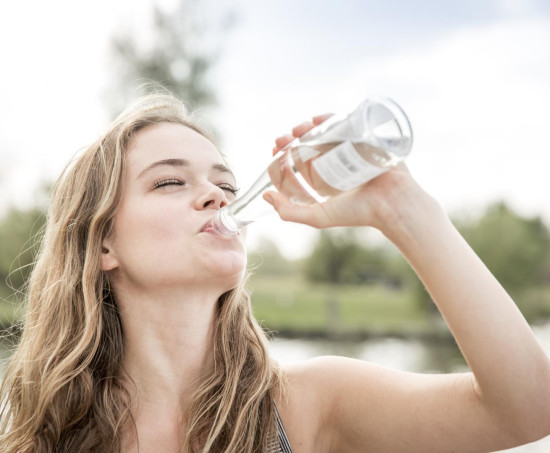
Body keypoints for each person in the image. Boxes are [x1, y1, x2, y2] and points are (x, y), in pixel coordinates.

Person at [1, 92, 549, 453]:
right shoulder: (38, 429)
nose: (215, 195)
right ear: (103, 244)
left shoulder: (307, 404)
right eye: (170, 182)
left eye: (226, 186)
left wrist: (402, 210)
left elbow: (528, 409)